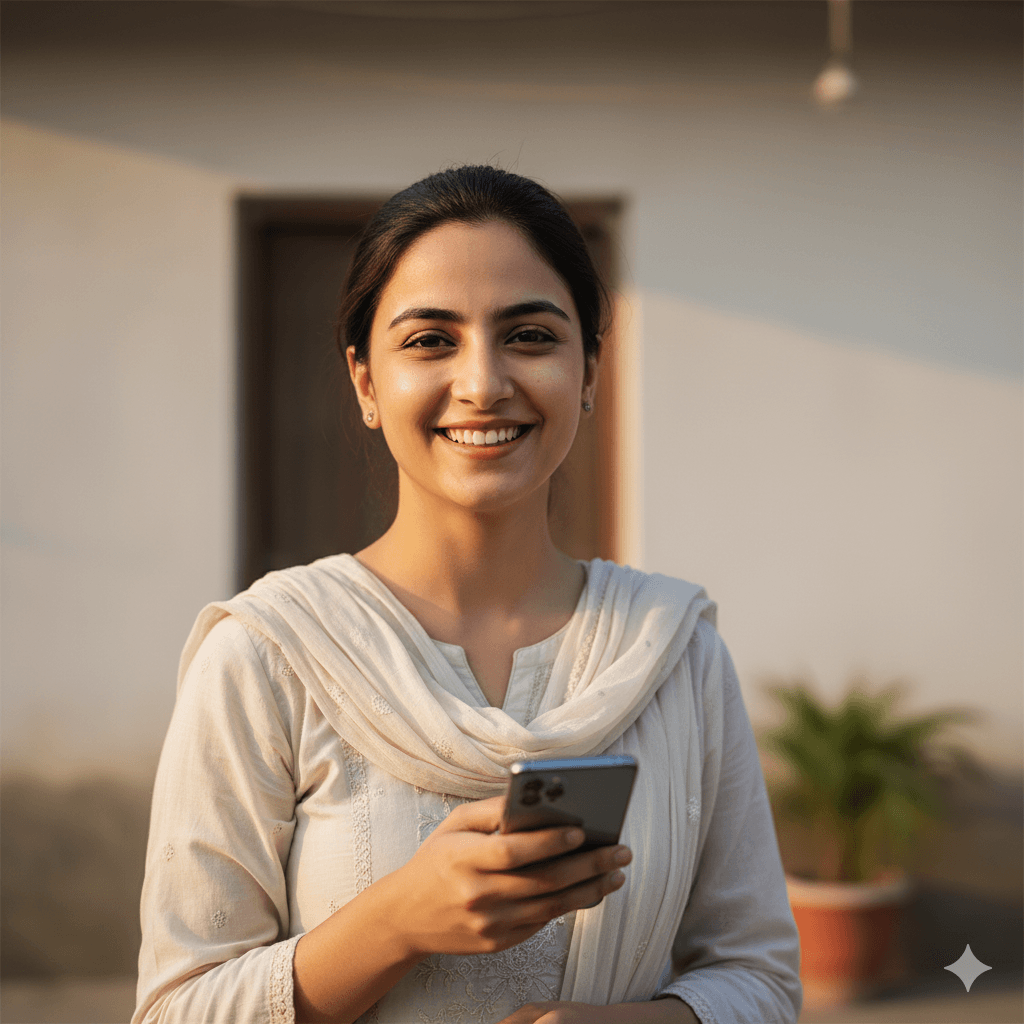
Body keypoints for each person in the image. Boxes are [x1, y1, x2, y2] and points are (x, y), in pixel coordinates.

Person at [133, 165, 802, 1024]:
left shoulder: (673, 651)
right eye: (429, 341)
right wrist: (395, 924)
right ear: (366, 383)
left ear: (590, 371)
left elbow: (762, 983)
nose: (483, 383)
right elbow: (174, 1009)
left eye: (529, 336)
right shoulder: (268, 654)